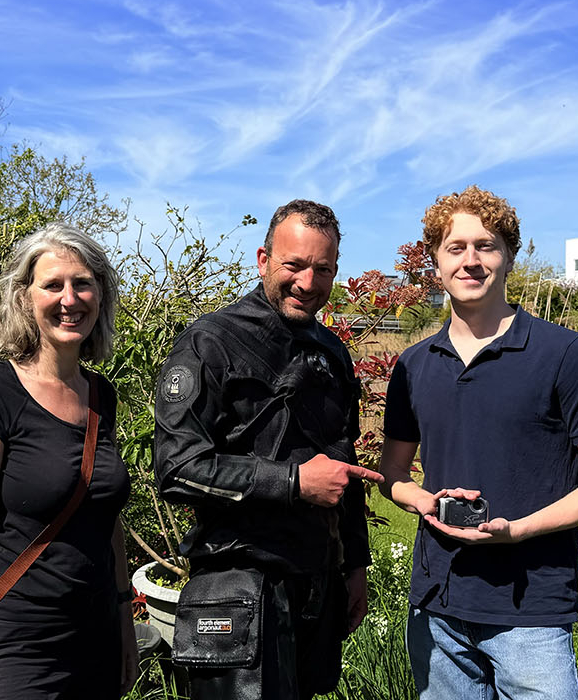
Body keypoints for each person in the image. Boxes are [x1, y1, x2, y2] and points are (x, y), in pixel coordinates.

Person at [378, 186, 578, 700]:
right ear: (435, 262)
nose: (470, 260)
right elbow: (393, 474)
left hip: (531, 610)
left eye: (486, 246)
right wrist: (425, 502)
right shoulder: (413, 365)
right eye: (455, 247)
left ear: (510, 257)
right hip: (437, 607)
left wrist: (516, 532)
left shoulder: (565, 354)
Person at [153, 199, 384, 699]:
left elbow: (343, 467)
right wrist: (294, 482)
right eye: (293, 265)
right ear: (263, 260)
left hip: (315, 584)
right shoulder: (210, 343)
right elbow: (176, 468)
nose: (307, 282)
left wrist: (355, 567)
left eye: (323, 269)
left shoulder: (332, 354)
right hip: (239, 585)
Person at [0, 222, 137, 699]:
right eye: (52, 285)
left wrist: (124, 619)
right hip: (21, 646)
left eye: (82, 283)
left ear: (100, 295)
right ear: (24, 298)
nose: (69, 299)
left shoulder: (101, 395)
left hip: (97, 637)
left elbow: (106, 519)